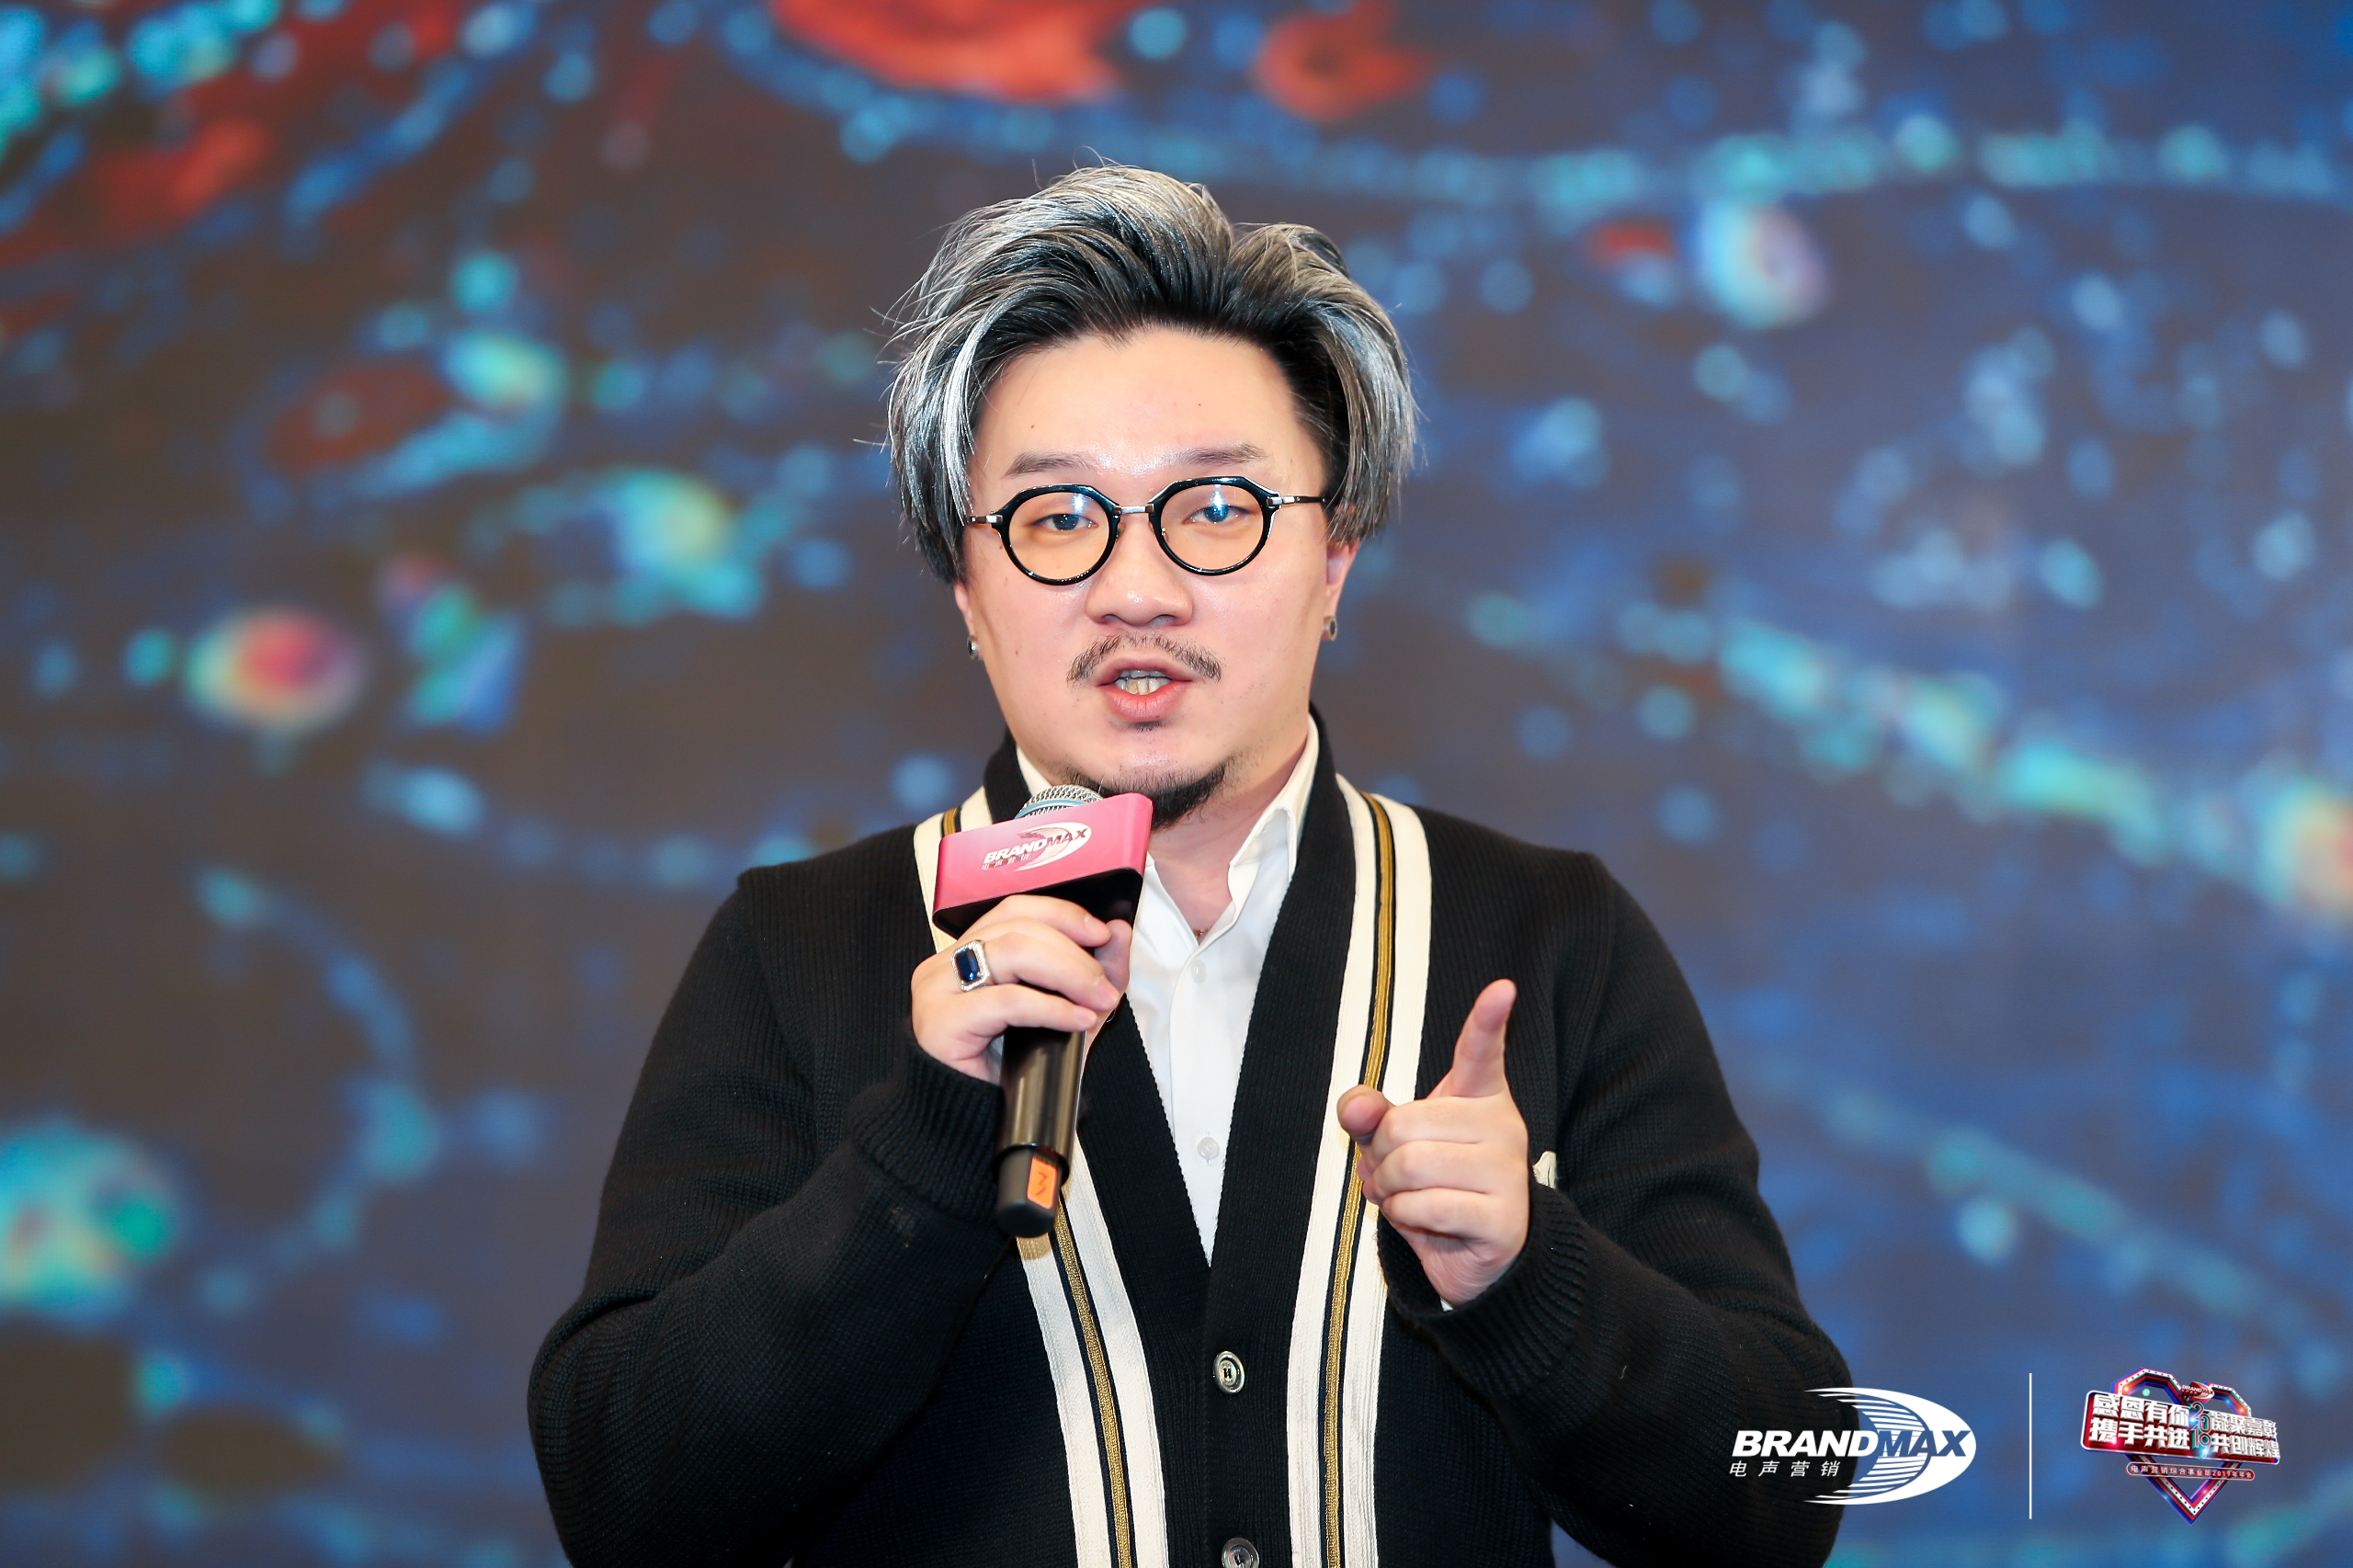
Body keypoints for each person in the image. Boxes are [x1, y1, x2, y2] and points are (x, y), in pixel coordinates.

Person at [529, 165, 1847, 1568]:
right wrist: (920, 1141)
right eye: (1056, 517)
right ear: (965, 587)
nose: (1136, 589)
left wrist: (1531, 1278)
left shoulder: (1544, 936)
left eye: (1216, 509)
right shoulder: (803, 947)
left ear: (1335, 559)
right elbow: (628, 1498)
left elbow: (1791, 1482)